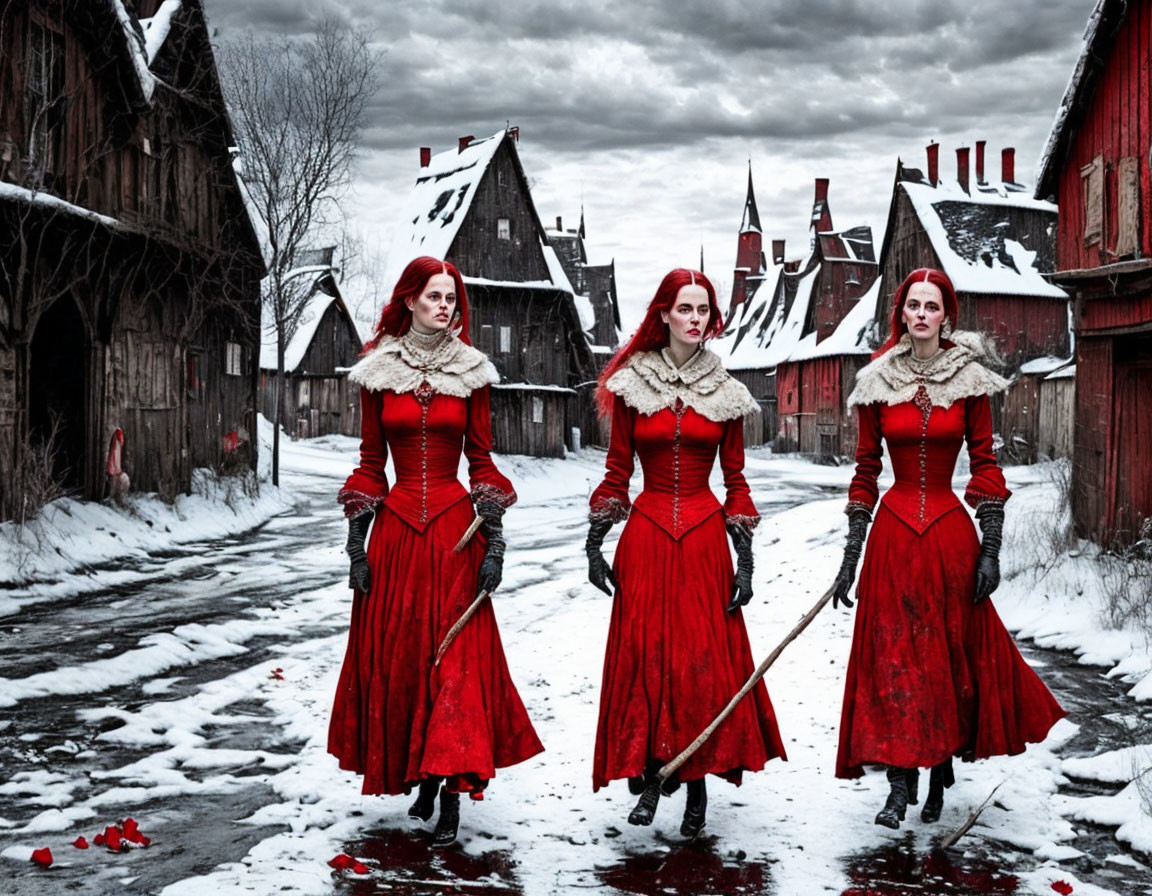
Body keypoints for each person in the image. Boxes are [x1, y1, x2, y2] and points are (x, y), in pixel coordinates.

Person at [833, 268, 1065, 828]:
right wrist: (850, 556)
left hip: (947, 537)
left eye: (931, 307)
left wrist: (991, 548)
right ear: (901, 313)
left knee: (943, 661)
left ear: (946, 316)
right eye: (912, 305)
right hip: (892, 536)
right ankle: (898, 784)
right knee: (894, 662)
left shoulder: (970, 380)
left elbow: (985, 465)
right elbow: (866, 471)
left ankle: (937, 766)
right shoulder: (875, 382)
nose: (920, 314)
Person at [328, 256, 543, 847]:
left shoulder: (472, 373)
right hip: (396, 535)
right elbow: (372, 463)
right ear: (411, 301)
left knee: (455, 664)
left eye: (452, 298)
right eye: (434, 296)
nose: (445, 305)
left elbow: (481, 460)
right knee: (406, 661)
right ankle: (421, 771)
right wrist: (356, 545)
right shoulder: (378, 373)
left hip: (454, 534)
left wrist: (494, 538)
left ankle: (450, 788)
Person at [585, 268, 787, 838]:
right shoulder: (631, 386)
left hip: (703, 540)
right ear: (664, 315)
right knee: (648, 659)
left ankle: (694, 788)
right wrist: (595, 541)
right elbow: (618, 471)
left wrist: (744, 559)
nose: (696, 318)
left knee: (697, 666)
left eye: (704, 309)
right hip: (646, 537)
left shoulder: (726, 392)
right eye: (686, 308)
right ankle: (650, 770)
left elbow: (737, 480)